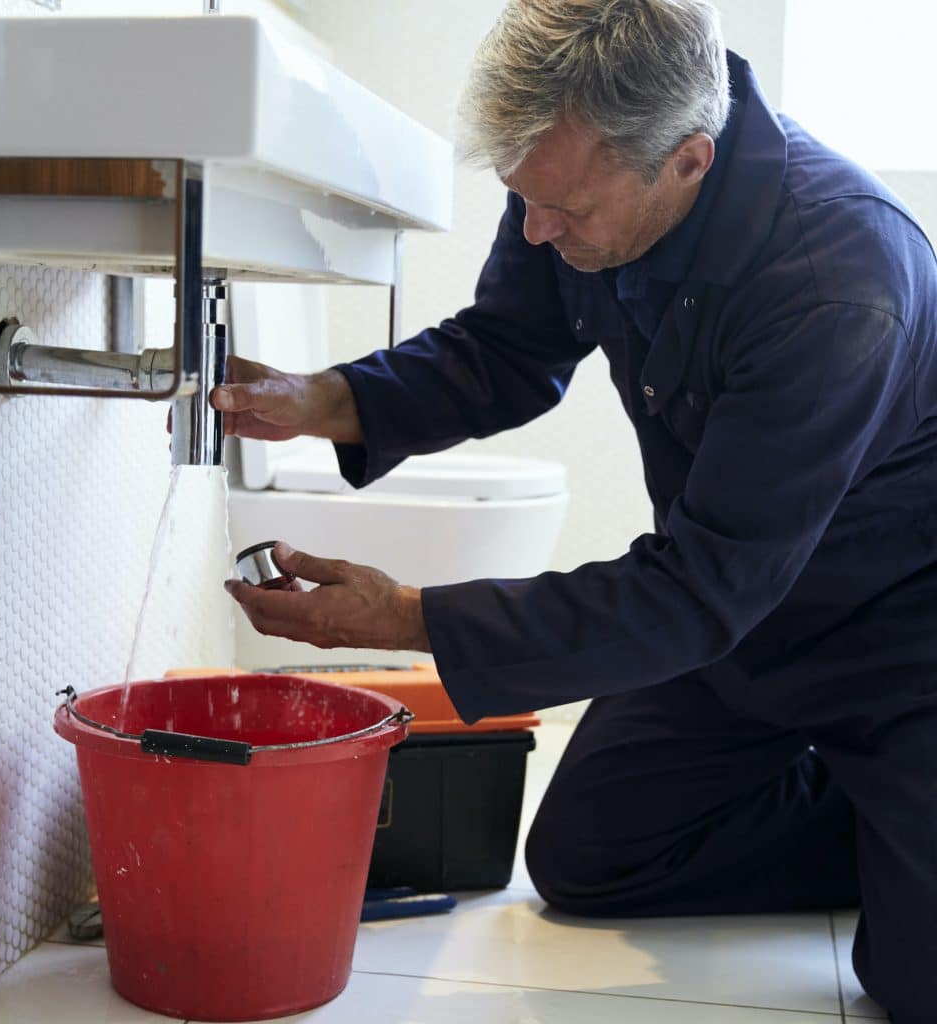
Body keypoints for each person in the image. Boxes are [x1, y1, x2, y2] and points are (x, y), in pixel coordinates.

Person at [214, 2, 937, 1020]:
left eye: (567, 214)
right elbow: (505, 347)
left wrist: (403, 616)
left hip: (900, 643)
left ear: (687, 160)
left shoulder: (837, 284)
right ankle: (872, 822)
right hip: (739, 622)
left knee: (916, 979)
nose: (538, 230)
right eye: (524, 202)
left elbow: (692, 590)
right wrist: (320, 398)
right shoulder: (571, 169)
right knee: (587, 856)